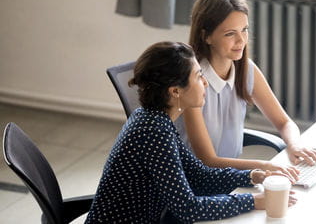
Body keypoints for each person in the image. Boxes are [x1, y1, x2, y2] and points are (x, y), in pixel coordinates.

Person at [85, 42, 297, 223]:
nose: (204, 82)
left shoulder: (157, 119)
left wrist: (252, 176)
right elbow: (188, 208)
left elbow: (199, 175)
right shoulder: (153, 131)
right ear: (175, 91)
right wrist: (253, 201)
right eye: (198, 76)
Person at [175, 0, 316, 182]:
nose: (241, 41)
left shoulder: (246, 69)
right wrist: (264, 166)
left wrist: (295, 145)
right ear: (207, 36)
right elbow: (207, 161)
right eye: (230, 33)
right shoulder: (193, 81)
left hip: (229, 177)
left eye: (244, 30)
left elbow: (284, 122)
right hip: (197, 181)